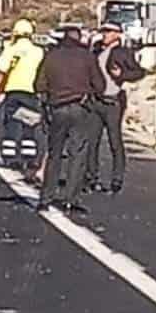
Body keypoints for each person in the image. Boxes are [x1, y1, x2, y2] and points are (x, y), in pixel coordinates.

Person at [35, 26, 105, 214]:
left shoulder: (51, 56)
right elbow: (100, 85)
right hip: (80, 107)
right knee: (77, 153)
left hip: (56, 108)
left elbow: (39, 84)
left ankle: (45, 198)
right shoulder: (87, 57)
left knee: (54, 154)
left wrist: (47, 101)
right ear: (79, 38)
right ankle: (70, 198)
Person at [85, 22, 146, 194]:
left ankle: (116, 179)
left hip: (113, 102)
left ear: (118, 34)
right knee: (92, 141)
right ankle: (91, 177)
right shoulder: (95, 50)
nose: (104, 34)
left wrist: (122, 75)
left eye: (108, 31)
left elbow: (139, 72)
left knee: (115, 141)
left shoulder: (123, 52)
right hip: (95, 100)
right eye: (103, 31)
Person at [0, 18, 45, 175]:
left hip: (13, 91)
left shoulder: (10, 49)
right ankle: (28, 159)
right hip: (31, 93)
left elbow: (1, 71)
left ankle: (10, 159)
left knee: (12, 125)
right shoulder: (38, 51)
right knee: (29, 126)